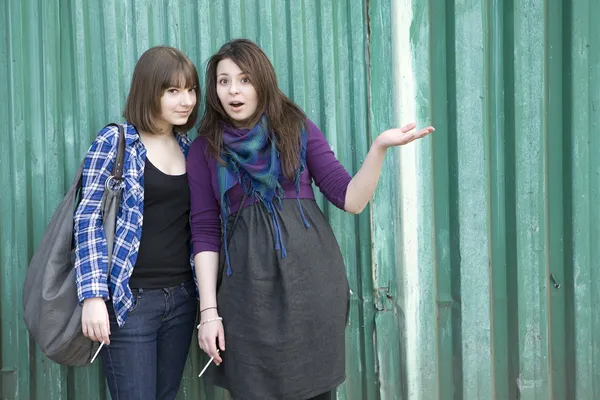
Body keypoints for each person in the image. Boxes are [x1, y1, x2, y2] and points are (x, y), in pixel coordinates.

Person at [187, 38, 434, 400]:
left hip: (312, 287)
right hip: (246, 297)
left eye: (244, 79)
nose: (234, 91)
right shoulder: (205, 149)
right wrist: (209, 313)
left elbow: (350, 198)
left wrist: (378, 148)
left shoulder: (295, 128)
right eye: (224, 81)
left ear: (262, 83)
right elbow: (205, 233)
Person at [73, 46, 200, 400]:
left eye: (190, 90)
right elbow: (88, 218)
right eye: (173, 91)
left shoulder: (188, 147)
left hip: (181, 299)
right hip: (130, 302)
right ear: (149, 90)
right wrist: (94, 296)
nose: (186, 100)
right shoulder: (116, 141)